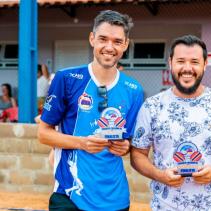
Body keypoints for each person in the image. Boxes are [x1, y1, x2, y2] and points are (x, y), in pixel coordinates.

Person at [130, 35, 211, 211]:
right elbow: (137, 155)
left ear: (205, 64)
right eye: (181, 61)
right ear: (171, 62)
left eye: (194, 62)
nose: (187, 68)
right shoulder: (152, 106)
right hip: (165, 206)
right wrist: (160, 176)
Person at [37, 10, 144, 211]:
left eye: (117, 41)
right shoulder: (66, 79)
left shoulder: (134, 90)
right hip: (69, 195)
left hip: (116, 198)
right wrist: (82, 143)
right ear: (92, 39)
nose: (109, 47)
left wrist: (125, 147)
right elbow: (43, 134)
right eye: (103, 39)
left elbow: (128, 142)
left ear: (125, 45)